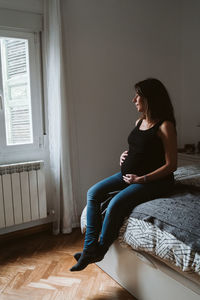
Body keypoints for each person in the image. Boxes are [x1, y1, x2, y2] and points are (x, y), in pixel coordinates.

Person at [70, 78, 177, 272]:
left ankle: (99, 250)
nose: (134, 99)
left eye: (138, 96)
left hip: (154, 180)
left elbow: (172, 165)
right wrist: (124, 155)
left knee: (116, 203)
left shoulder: (165, 126)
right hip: (128, 175)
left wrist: (141, 179)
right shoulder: (140, 121)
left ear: (150, 99)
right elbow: (139, 148)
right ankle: (89, 248)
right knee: (93, 193)